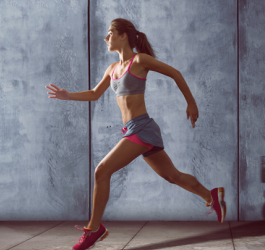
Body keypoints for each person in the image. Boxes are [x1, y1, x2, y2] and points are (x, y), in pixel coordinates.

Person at [45, 18, 226, 250]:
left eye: (110, 33)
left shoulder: (139, 60)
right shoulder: (112, 69)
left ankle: (94, 229)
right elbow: (93, 94)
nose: (106, 38)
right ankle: (211, 195)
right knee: (172, 176)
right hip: (134, 130)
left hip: (141, 128)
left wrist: (191, 103)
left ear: (123, 36)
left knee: (101, 171)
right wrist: (67, 95)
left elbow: (176, 73)